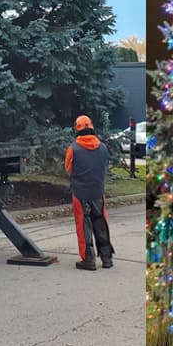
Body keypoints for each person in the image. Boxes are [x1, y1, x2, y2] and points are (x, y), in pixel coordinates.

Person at [65, 114, 114, 270]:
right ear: (92, 128)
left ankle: (88, 259)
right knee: (100, 223)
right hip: (98, 192)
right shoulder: (103, 148)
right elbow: (104, 167)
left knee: (83, 225)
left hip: (80, 193)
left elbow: (68, 169)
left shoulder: (73, 149)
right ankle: (107, 259)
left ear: (77, 129)